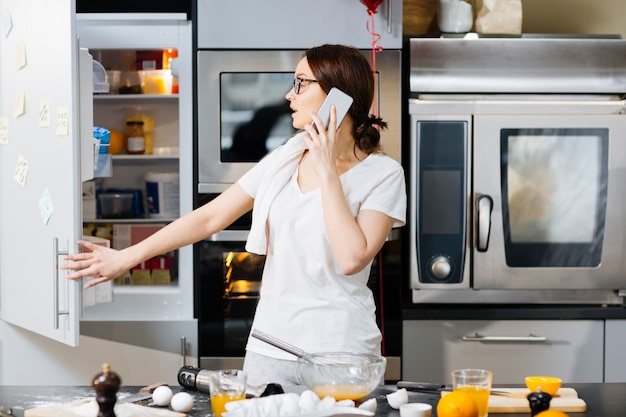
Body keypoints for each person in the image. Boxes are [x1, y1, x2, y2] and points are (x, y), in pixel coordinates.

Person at [62, 44, 406, 386]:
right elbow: (210, 217)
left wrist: (327, 171)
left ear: (338, 96)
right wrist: (126, 257)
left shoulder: (383, 175)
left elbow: (351, 258)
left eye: (301, 83)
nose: (290, 94)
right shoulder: (289, 154)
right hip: (271, 347)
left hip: (340, 352)